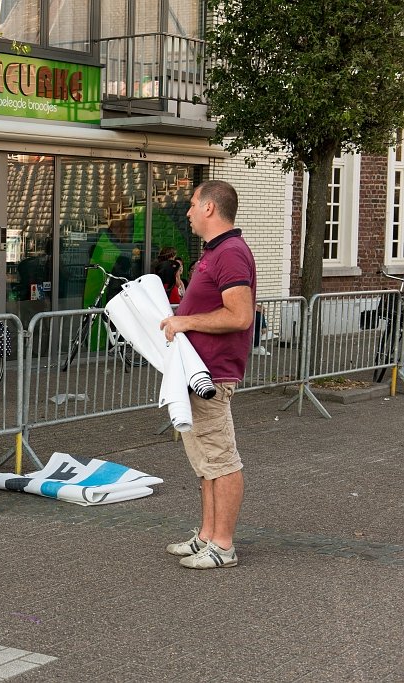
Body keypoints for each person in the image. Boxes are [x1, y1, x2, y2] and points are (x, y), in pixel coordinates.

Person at [159, 180, 256, 570]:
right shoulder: (216, 252)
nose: (188, 212)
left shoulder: (230, 253)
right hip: (199, 371)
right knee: (205, 462)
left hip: (211, 374)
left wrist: (185, 322)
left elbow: (240, 315)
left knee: (220, 459)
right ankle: (207, 537)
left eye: (193, 204)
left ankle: (224, 545)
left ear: (210, 208)